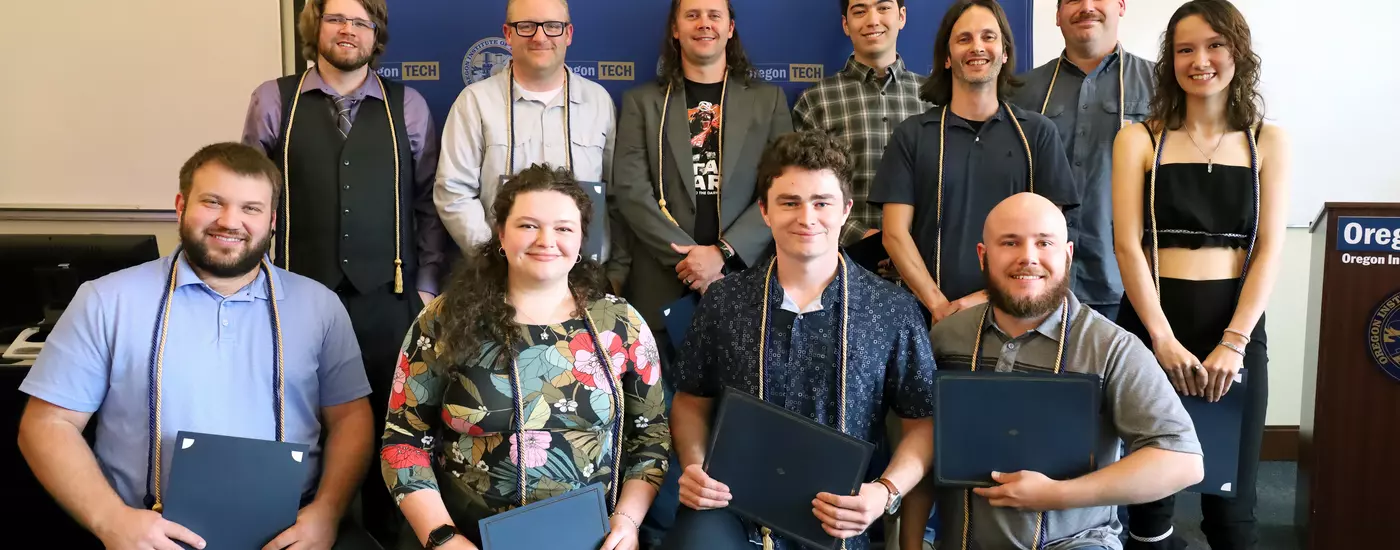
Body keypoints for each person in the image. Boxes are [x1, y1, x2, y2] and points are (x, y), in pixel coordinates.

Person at [16, 143, 378, 550]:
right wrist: (111, 521)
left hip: (290, 538)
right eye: (212, 202)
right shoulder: (107, 299)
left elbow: (350, 419)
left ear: (272, 220)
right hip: (148, 537)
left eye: (251, 208)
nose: (230, 221)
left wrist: (327, 513)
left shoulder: (320, 306)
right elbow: (47, 425)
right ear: (180, 206)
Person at [661, 131, 937, 550]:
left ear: (845, 210)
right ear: (765, 212)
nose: (807, 218)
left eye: (821, 202)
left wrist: (884, 493)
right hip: (730, 512)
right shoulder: (725, 299)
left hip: (837, 519)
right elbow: (690, 400)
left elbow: (923, 421)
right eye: (789, 202)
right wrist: (695, 465)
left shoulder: (892, 310)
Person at [380, 164, 671, 550]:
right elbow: (403, 439)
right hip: (466, 537)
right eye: (528, 225)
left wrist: (628, 522)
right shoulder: (444, 320)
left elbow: (652, 437)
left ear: (582, 239)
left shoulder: (621, 324)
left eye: (564, 228)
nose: (546, 240)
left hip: (592, 539)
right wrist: (442, 538)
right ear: (501, 234)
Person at [241, 0, 447, 540]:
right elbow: (250, 199)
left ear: (375, 33)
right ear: (316, 26)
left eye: (360, 21)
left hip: (389, 298)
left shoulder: (410, 105)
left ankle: (385, 534)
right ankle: (292, 531)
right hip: (293, 297)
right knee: (292, 424)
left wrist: (425, 288)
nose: (348, 30)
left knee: (388, 428)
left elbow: (429, 202)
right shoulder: (273, 100)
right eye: (337, 19)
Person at [913, 192, 1204, 550]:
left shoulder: (1110, 346)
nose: (1028, 257)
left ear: (1066, 256)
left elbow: (1182, 461)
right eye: (1010, 242)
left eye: (1044, 243)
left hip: (1075, 542)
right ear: (983, 256)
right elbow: (918, 445)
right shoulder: (946, 337)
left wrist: (1058, 494)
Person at [1111, 1, 1287, 548]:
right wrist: (1160, 339)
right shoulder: (1139, 139)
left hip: (1234, 331)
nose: (1200, 60)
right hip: (1153, 327)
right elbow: (1127, 245)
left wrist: (1234, 343)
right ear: (1170, 61)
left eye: (1214, 45)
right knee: (1148, 503)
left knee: (1232, 510)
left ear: (1238, 51)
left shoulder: (1267, 141)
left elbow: (1269, 249)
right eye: (1185, 49)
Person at [870, 0, 1079, 328]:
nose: (977, 47)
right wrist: (940, 307)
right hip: (931, 321)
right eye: (964, 39)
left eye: (988, 37)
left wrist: (981, 300)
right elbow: (894, 234)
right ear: (948, 57)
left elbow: (1048, 240)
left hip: (1020, 317)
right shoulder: (912, 135)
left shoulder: (1037, 135)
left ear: (1005, 52)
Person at [435, 0, 627, 291]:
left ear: (569, 33)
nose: (540, 37)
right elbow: (453, 192)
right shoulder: (474, 102)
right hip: (499, 280)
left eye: (552, 26)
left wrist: (614, 269)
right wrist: (496, 255)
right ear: (508, 34)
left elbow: (616, 193)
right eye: (526, 26)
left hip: (585, 278)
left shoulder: (598, 102)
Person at [1013, 0, 1154, 321]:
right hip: (1040, 286)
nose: (1086, 6)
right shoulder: (1021, 92)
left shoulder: (1161, 87)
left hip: (1128, 287)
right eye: (1072, 0)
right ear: (1058, 15)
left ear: (1121, 5)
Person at [792, 0, 930, 249]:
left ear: (901, 16)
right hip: (843, 261)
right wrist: (868, 241)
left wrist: (908, 245)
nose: (873, 19)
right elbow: (806, 190)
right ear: (846, 24)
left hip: (924, 261)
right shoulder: (815, 101)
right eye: (860, 11)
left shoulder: (934, 99)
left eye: (883, 8)